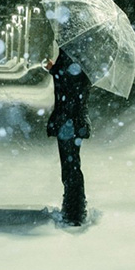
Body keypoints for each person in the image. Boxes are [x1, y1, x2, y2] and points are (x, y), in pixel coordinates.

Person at [46, 48, 91, 226]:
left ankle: (74, 210)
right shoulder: (87, 58)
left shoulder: (72, 55)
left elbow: (67, 84)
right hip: (75, 120)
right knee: (72, 163)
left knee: (70, 165)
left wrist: (54, 69)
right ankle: (75, 206)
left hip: (68, 121)